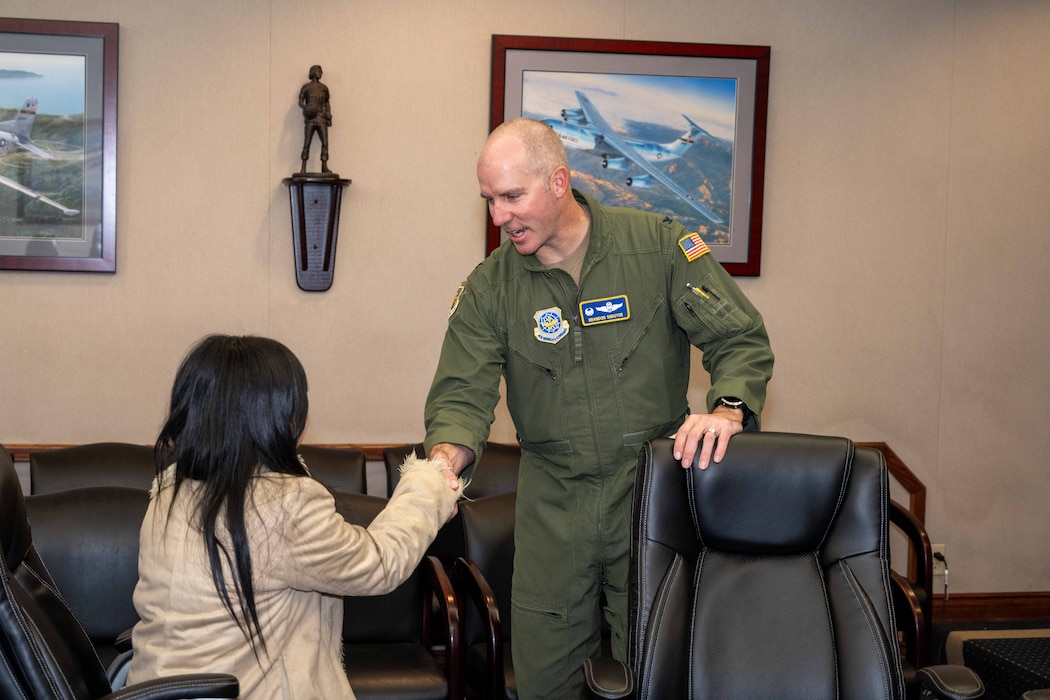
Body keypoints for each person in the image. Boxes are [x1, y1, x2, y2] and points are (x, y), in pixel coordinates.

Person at [424, 118, 774, 698]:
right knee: (546, 683)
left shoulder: (659, 248)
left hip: (650, 499)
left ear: (559, 181)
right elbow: (463, 395)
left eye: (512, 196)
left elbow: (738, 338)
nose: (498, 217)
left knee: (660, 675)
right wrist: (443, 462)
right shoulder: (491, 288)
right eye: (489, 200)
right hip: (551, 510)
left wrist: (729, 409)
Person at [127, 334, 462, 699]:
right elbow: (378, 565)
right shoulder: (282, 505)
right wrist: (430, 484)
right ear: (280, 417)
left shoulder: (170, 488)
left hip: (156, 688)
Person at [299, 64, 332, 173]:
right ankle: (303, 166)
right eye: (318, 70)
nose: (320, 73)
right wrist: (306, 108)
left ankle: (324, 165)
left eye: (320, 71)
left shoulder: (324, 88)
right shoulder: (306, 87)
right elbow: (300, 101)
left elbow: (327, 103)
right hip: (310, 118)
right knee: (307, 142)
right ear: (313, 72)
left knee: (325, 143)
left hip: (322, 118)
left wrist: (329, 115)